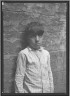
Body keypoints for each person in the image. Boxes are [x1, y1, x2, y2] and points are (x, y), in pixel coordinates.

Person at [15, 22, 54, 93]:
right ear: (27, 38)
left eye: (40, 36)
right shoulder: (24, 54)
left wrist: (51, 90)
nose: (37, 39)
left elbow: (49, 73)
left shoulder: (46, 54)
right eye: (33, 36)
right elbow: (19, 78)